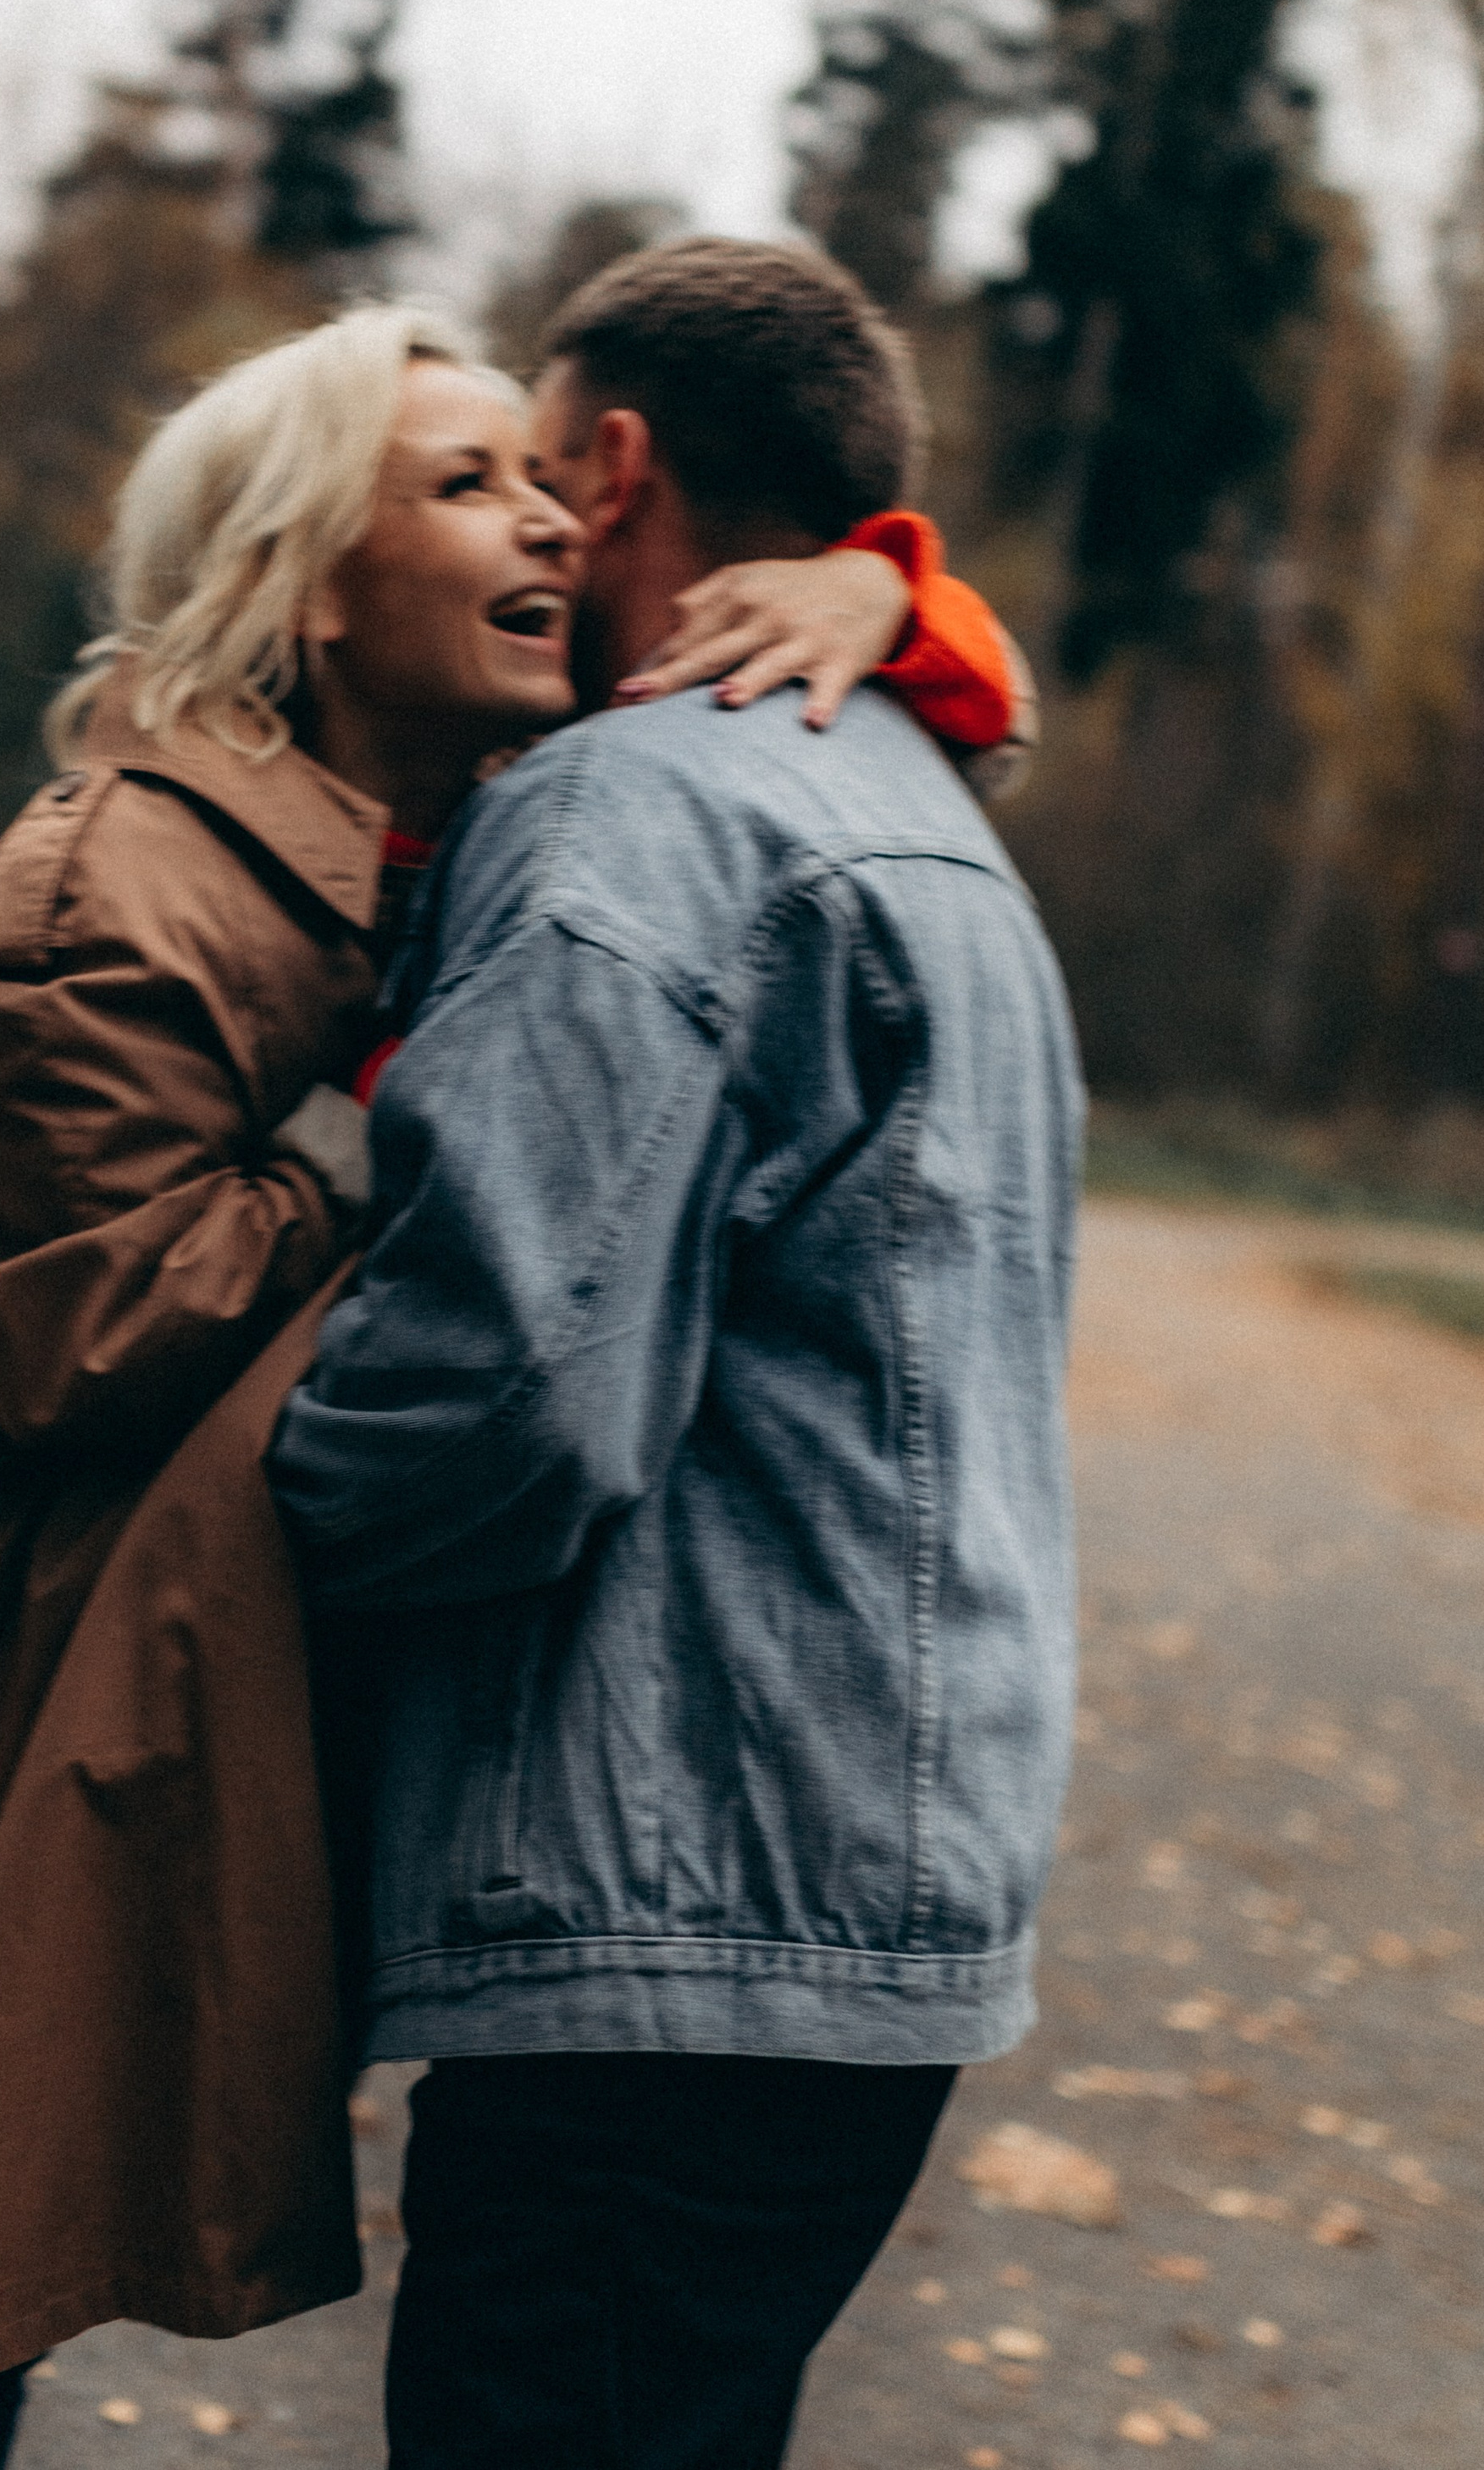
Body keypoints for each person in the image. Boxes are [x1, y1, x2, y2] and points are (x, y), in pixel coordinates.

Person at [0, 297, 1024, 2470]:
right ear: (299, 581)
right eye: (466, 485)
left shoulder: (467, 826)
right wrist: (361, 1169)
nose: (547, 521)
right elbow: (85, 1324)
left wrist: (883, 587)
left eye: (546, 477)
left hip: (142, 1700)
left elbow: (871, 705)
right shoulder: (118, 873)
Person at [269, 241, 1083, 2470]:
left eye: (538, 473)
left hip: (679, 1871)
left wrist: (223, 1551)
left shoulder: (637, 806)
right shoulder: (921, 805)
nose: (530, 527)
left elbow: (493, 1387)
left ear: (616, 466)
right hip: (875, 1872)